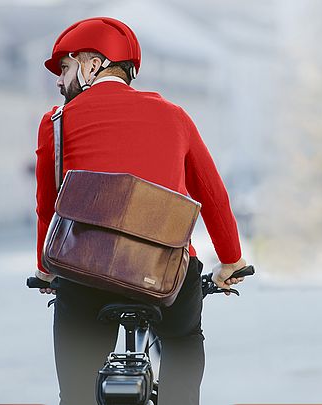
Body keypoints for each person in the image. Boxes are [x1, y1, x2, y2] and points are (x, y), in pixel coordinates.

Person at [33, 17, 247, 404]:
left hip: (85, 275)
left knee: (76, 395)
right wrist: (230, 260)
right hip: (164, 276)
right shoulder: (175, 117)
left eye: (64, 67)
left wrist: (46, 269)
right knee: (183, 338)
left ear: (93, 64)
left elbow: (48, 209)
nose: (59, 81)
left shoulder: (56, 123)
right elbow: (213, 195)